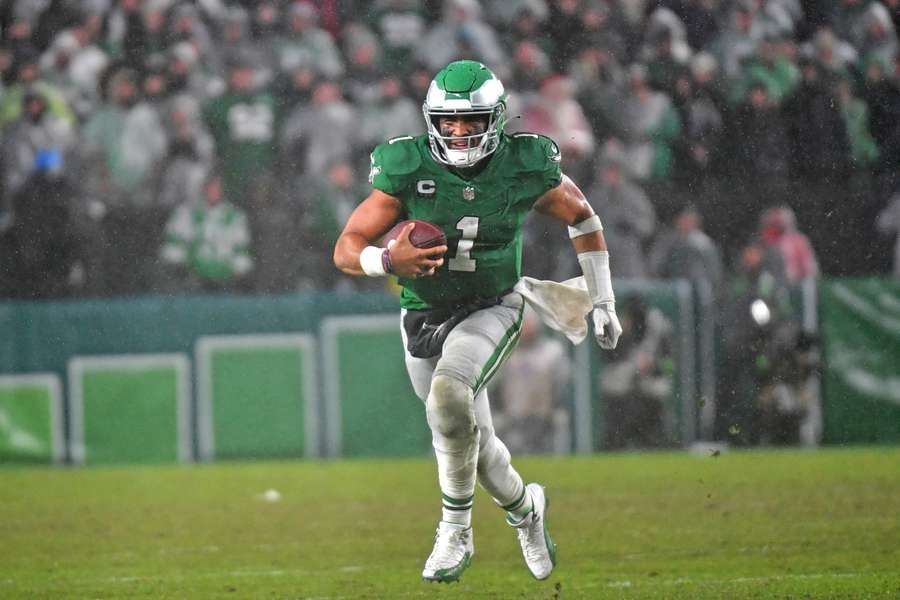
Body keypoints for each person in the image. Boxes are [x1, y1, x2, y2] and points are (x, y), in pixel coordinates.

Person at [334, 60, 622, 583]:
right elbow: (346, 247)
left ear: (496, 119)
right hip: (423, 312)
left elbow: (582, 215)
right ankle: (526, 511)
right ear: (432, 121)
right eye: (449, 122)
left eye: (471, 122)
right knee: (472, 440)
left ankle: (455, 530)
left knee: (449, 398)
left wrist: (602, 299)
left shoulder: (523, 163)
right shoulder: (406, 165)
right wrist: (386, 261)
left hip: (493, 303)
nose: (460, 132)